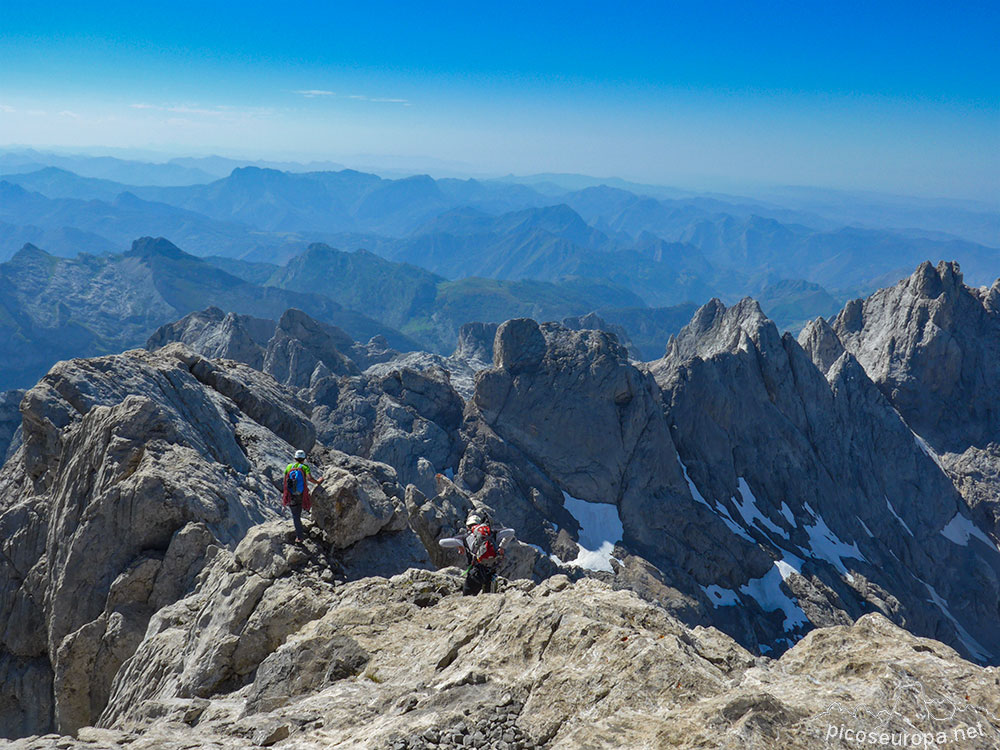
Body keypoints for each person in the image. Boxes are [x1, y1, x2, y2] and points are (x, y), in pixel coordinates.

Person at [439, 511, 516, 595]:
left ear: (468, 527)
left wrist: (459, 545)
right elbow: (511, 532)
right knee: (488, 598)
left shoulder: (465, 537)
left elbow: (442, 542)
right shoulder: (491, 533)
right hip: (490, 572)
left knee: (467, 598)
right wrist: (502, 547)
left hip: (475, 573)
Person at [282, 449, 323, 542]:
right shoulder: (304, 467)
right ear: (304, 458)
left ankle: (299, 537)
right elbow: (309, 478)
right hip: (301, 494)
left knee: (295, 516)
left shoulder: (289, 467)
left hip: (291, 494)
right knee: (305, 508)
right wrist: (318, 482)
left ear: (295, 458)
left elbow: (285, 481)